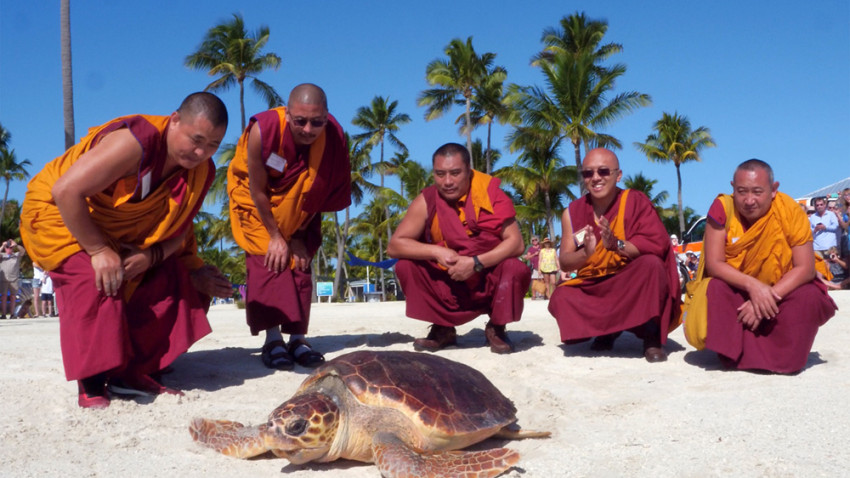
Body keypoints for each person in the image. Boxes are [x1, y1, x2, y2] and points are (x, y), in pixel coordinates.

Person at [20, 92, 233, 409]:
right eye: (196, 139)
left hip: (121, 235)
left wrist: (152, 257)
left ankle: (131, 372)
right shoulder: (136, 142)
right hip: (60, 214)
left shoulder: (202, 172)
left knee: (176, 276)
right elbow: (66, 191)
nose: (201, 152)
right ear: (174, 121)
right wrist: (97, 249)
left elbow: (180, 229)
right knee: (97, 274)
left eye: (213, 145)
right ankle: (91, 382)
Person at [228, 83, 351, 371]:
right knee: (270, 259)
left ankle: (298, 338)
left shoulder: (333, 137)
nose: (308, 129)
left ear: (326, 116)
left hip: (303, 210)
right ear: (287, 114)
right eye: (300, 121)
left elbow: (321, 189)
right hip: (258, 208)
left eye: (317, 122)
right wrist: (275, 235)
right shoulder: (264, 130)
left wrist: (296, 234)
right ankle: (272, 340)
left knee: (301, 261)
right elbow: (257, 190)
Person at [683, 159, 836, 373]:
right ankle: (745, 353)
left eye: (757, 192)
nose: (748, 200)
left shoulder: (790, 210)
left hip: (781, 293)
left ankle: (764, 355)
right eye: (741, 191)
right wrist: (754, 287)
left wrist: (766, 297)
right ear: (732, 188)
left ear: (773, 190)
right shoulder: (723, 209)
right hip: (740, 294)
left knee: (809, 296)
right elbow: (715, 264)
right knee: (715, 288)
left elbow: (806, 268)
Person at [387, 142, 529, 354]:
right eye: (440, 174)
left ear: (469, 171)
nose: (447, 182)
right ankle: (443, 328)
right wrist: (436, 251)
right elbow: (395, 246)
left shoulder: (490, 195)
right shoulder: (427, 200)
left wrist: (476, 263)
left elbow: (516, 243)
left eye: (455, 173)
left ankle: (497, 327)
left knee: (515, 268)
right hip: (449, 278)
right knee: (406, 266)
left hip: (486, 278)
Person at [548, 148, 681, 363]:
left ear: (618, 175)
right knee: (562, 297)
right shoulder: (571, 212)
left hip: (629, 280)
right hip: (596, 284)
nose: (596, 178)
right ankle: (607, 331)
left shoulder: (635, 201)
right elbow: (565, 260)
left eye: (603, 171)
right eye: (588, 173)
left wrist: (615, 244)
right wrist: (587, 254)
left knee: (652, 265)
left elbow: (655, 245)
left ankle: (651, 336)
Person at [0, 239, 26, 319]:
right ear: (5, 248)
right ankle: (3, 314)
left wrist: (16, 245)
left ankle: (12, 314)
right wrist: (2, 246)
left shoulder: (16, 255)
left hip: (14, 279)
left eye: (10, 248)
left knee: (13, 297)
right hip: (4, 280)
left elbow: (23, 251)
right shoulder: (2, 256)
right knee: (3, 297)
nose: (9, 249)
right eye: (7, 248)